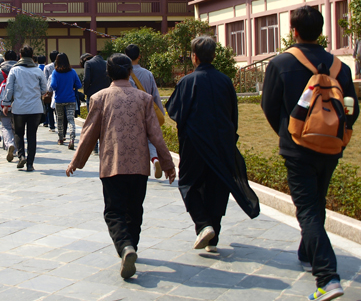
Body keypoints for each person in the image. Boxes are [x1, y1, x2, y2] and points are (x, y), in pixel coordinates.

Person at [261, 6, 359, 301]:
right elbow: (352, 108)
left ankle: (327, 278)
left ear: (294, 31)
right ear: (321, 31)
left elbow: (269, 106)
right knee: (317, 202)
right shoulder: (340, 67)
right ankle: (307, 254)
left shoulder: (281, 63)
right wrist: (337, 133)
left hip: (298, 148)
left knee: (307, 210)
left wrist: (288, 133)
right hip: (331, 148)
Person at [66, 53, 176, 280]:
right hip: (139, 166)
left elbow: (89, 134)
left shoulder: (99, 98)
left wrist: (76, 161)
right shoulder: (144, 98)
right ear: (130, 72)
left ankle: (125, 246)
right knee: (134, 210)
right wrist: (167, 164)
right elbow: (156, 135)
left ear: (108, 73)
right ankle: (131, 245)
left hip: (112, 164)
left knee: (114, 211)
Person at [167, 36, 260, 255]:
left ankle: (203, 224)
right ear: (214, 56)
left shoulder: (187, 82)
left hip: (195, 144)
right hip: (221, 142)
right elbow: (233, 115)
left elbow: (175, 112)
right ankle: (213, 237)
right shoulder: (225, 81)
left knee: (188, 183)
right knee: (217, 186)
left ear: (194, 57)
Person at [2, 46, 47, 172]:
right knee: (32, 135)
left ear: (20, 56)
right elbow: (44, 89)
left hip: (19, 108)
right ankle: (30, 164)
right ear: (32, 56)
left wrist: (6, 104)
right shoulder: (38, 71)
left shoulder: (15, 70)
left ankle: (21, 156)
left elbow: (9, 89)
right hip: (35, 108)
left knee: (18, 133)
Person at [125, 44, 165, 179]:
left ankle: (135, 167)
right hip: (148, 110)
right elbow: (155, 94)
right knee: (150, 137)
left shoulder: (125, 75)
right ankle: (155, 159)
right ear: (139, 56)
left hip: (132, 112)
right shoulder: (148, 74)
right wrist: (160, 112)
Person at [50, 53, 82, 150]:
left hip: (59, 99)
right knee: (70, 119)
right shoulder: (72, 72)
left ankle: (60, 138)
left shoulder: (55, 72)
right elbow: (79, 85)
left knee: (60, 119)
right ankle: (72, 138)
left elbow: (53, 85)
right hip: (70, 99)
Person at [83, 53, 111, 153]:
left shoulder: (88, 64)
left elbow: (86, 79)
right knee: (105, 121)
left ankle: (94, 147)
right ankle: (105, 145)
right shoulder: (107, 63)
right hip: (106, 95)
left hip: (92, 95)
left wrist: (86, 91)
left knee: (93, 121)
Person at [0, 50, 18, 162]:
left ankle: (9, 144)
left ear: (5, 58)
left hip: (3, 103)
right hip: (17, 102)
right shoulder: (19, 70)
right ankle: (16, 147)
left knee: (6, 126)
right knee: (16, 127)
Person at [43, 50, 58, 131]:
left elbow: (45, 79)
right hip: (58, 89)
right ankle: (59, 124)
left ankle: (52, 126)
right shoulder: (61, 66)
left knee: (49, 109)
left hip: (49, 89)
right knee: (58, 109)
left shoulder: (47, 67)